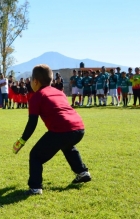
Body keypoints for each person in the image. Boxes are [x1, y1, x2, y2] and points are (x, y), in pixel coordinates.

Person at [12, 64, 90, 195]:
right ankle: (82, 172)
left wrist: (21, 141)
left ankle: (35, 188)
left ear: (35, 81)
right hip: (79, 128)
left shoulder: (36, 97)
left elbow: (32, 123)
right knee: (67, 146)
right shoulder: (59, 92)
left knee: (36, 156)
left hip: (62, 130)